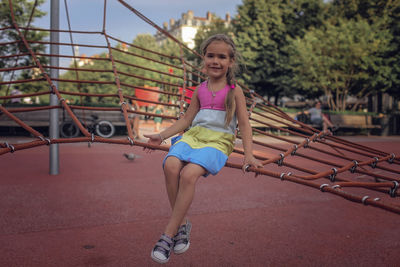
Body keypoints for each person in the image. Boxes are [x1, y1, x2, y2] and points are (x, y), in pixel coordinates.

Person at [144, 34, 263, 264]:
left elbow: (245, 125)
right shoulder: (199, 89)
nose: (215, 61)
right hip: (194, 136)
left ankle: (169, 234)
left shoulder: (234, 90)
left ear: (231, 62)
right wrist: (161, 135)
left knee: (189, 174)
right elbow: (186, 120)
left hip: (219, 141)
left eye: (222, 57)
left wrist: (249, 154)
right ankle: (182, 224)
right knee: (170, 165)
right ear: (203, 58)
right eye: (210, 55)